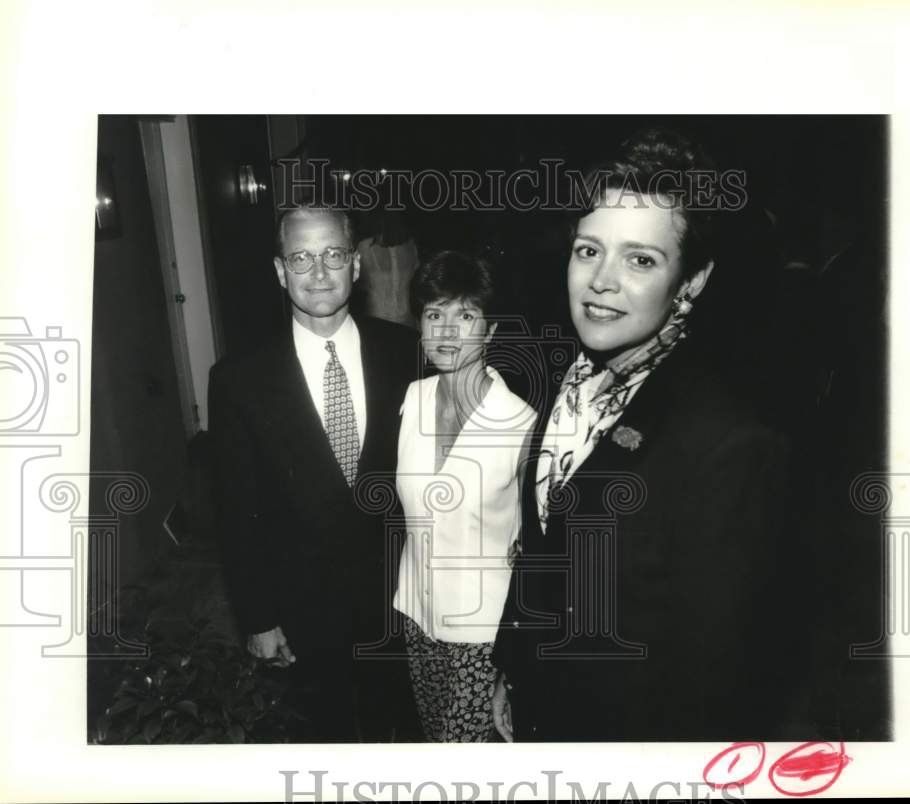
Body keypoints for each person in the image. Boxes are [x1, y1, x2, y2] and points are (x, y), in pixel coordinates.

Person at [491, 128, 792, 742]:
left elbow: (712, 676)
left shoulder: (729, 442)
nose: (602, 280)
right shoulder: (559, 374)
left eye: (641, 259)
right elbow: (541, 550)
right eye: (587, 250)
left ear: (692, 282)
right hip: (540, 707)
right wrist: (512, 667)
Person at [208, 207, 420, 742]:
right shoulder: (238, 379)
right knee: (321, 741)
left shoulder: (406, 354)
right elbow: (236, 510)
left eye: (333, 255)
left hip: (398, 600)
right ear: (281, 272)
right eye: (301, 257)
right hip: (301, 610)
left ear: (356, 266)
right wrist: (258, 618)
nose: (319, 272)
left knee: (392, 736)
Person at [393, 251, 537, 741]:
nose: (448, 331)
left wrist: (513, 661)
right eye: (435, 314)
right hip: (415, 615)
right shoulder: (411, 400)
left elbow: (535, 550)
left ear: (491, 330)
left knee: (464, 761)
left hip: (484, 633)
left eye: (466, 315)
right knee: (436, 743)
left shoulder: (520, 425)